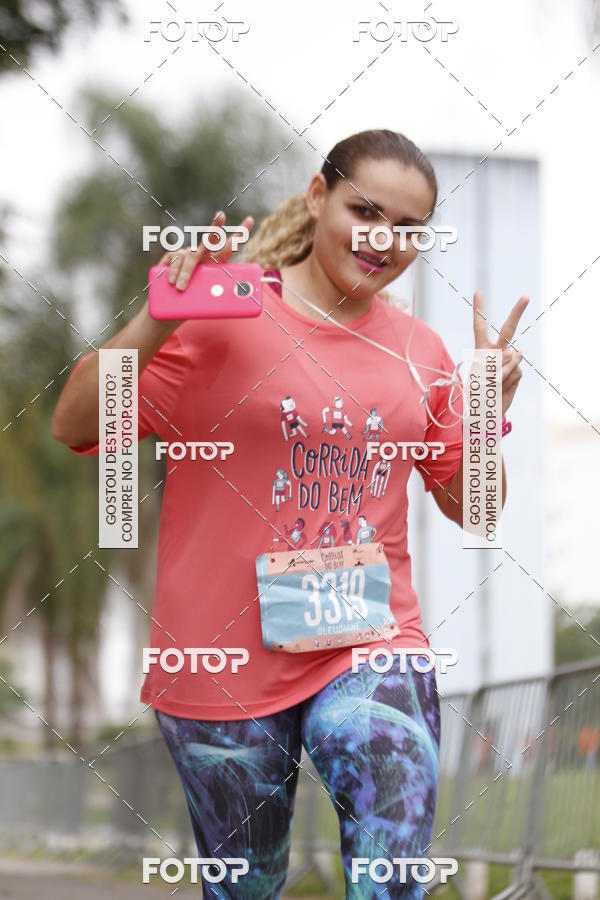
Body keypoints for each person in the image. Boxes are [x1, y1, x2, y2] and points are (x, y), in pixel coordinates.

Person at [51, 128, 526, 898]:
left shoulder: (422, 351)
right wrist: (159, 315)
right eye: (364, 210)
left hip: (369, 642)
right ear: (317, 196)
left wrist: (478, 414)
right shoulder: (224, 315)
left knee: (382, 796)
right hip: (220, 663)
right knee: (246, 887)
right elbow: (77, 424)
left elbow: (473, 510)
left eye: (407, 228)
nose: (382, 240)